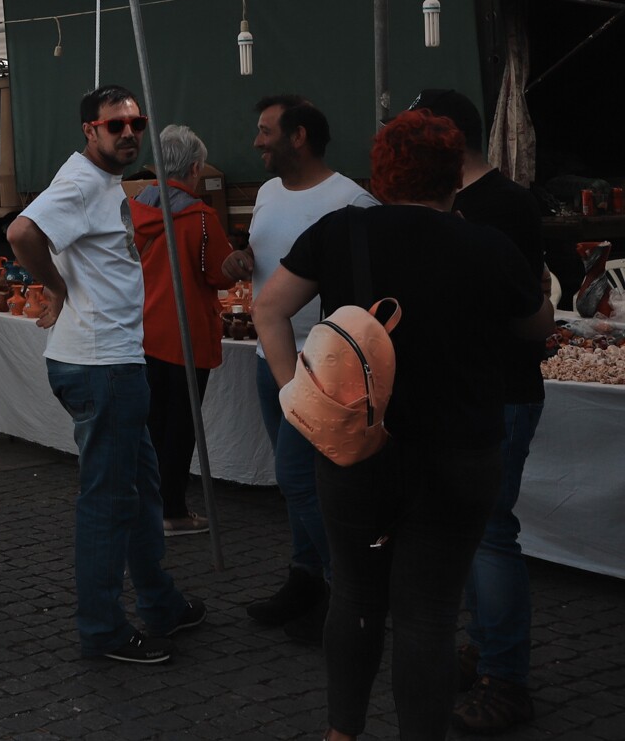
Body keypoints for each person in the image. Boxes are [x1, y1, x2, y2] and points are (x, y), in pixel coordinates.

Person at [254, 110, 550, 741]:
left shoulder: (342, 232)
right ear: (454, 178)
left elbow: (269, 308)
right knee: (430, 613)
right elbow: (536, 327)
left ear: (381, 173)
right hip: (462, 449)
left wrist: (292, 396)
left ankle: (343, 733)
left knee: (358, 595)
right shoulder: (486, 244)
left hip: (359, 446)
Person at [8, 84, 203, 665]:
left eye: (136, 123)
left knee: (140, 491)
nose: (128, 133)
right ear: (89, 131)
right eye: (114, 125)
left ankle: (161, 602)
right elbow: (22, 233)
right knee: (109, 502)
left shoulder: (102, 183)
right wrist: (60, 286)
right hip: (102, 366)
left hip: (111, 361)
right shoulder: (80, 182)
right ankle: (102, 628)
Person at [409, 90, 546, 735]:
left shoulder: (504, 207)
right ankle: (486, 647)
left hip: (499, 393)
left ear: (446, 135)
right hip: (461, 393)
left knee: (490, 534)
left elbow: (526, 314)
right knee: (467, 533)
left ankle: (505, 677)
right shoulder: (447, 202)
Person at [220, 95, 377, 642]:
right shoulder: (265, 193)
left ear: (299, 136)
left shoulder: (353, 201)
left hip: (324, 369)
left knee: (300, 480)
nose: (257, 142)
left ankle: (352, 590)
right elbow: (266, 262)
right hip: (271, 360)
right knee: (298, 485)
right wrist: (238, 261)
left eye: (265, 132)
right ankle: (307, 580)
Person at [129, 124, 232, 536]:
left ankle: (150, 505)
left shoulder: (134, 209)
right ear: (192, 168)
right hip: (185, 335)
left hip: (143, 333)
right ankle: (171, 510)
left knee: (153, 426)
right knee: (180, 428)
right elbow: (219, 275)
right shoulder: (201, 218)